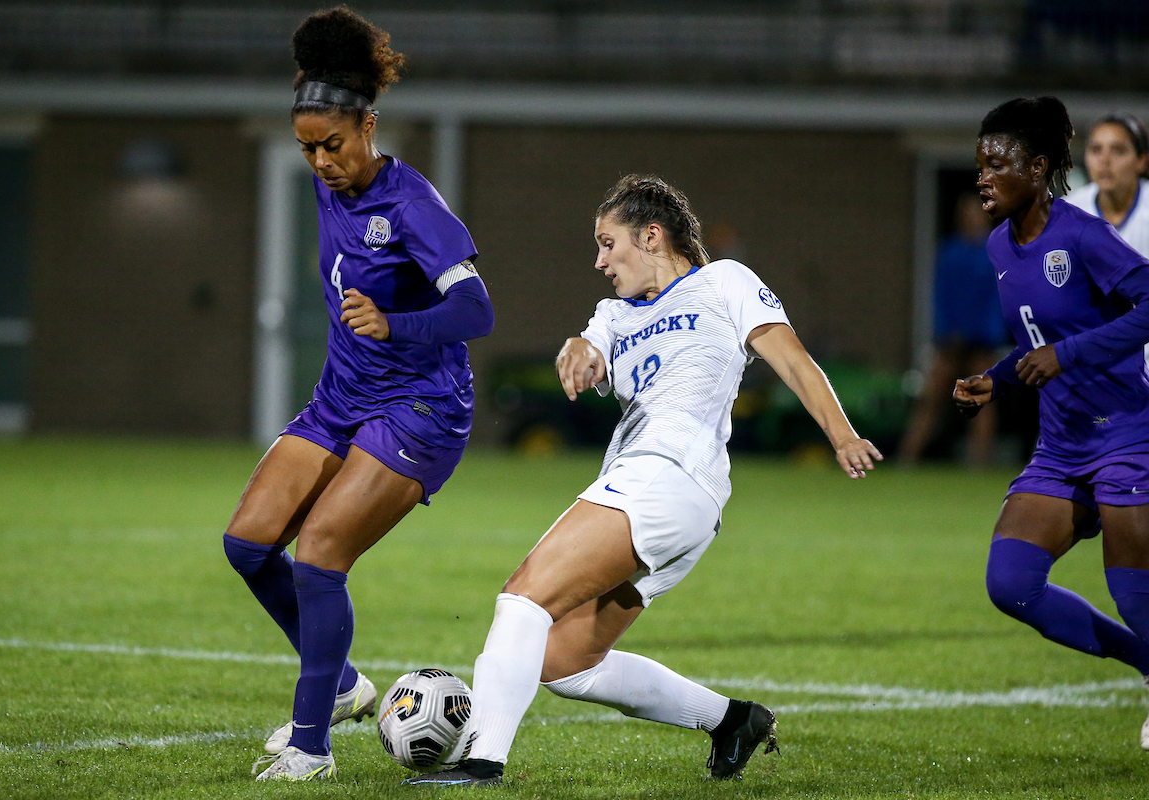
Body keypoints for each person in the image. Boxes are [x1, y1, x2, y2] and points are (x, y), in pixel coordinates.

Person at [406, 175, 882, 787]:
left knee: (523, 600)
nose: (599, 261)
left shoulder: (725, 283)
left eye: (608, 244)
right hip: (675, 500)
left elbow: (793, 358)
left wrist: (841, 435)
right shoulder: (614, 313)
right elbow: (590, 344)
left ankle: (480, 765)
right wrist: (577, 351)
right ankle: (732, 719)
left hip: (668, 474)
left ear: (651, 235)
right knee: (563, 662)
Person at [224, 7, 494, 782]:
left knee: (319, 558)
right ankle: (343, 685)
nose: (319, 162)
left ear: (369, 128)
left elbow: (477, 311)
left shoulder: (414, 206)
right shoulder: (330, 182)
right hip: (343, 396)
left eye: (333, 145)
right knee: (247, 545)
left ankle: (312, 748)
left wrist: (394, 322)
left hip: (422, 406)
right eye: (307, 147)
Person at [954, 97, 1149, 750]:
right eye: (979, 165)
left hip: (1126, 435)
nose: (982, 177)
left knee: (1134, 595)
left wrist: (1068, 355)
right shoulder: (998, 246)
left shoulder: (1081, 234)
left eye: (997, 164)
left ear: (1037, 168)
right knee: (1010, 585)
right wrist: (997, 377)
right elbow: (1038, 339)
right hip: (1062, 447)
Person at [898, 190, 1006, 465]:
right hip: (949, 342)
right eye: (966, 214)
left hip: (982, 342)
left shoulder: (996, 254)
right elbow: (940, 297)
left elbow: (999, 301)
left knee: (981, 402)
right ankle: (906, 459)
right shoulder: (949, 253)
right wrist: (946, 333)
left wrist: (987, 334)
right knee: (931, 399)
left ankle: (979, 464)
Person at [1064, 113, 1149, 256]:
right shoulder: (1069, 214)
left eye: (1118, 151)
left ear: (1142, 161)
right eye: (1096, 150)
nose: (1104, 160)